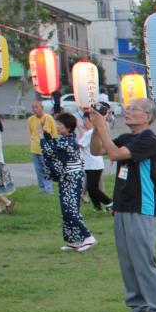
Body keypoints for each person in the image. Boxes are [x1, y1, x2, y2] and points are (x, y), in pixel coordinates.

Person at [88, 99, 156, 312]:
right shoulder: (127, 138)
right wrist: (97, 126)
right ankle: (138, 307)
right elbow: (97, 149)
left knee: (143, 259)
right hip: (122, 205)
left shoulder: (148, 139)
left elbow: (114, 155)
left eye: (134, 109)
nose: (128, 112)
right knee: (127, 260)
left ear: (147, 116)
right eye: (128, 108)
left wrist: (103, 126)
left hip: (141, 206)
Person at [41, 111, 95, 251]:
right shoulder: (65, 140)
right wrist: (46, 134)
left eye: (60, 124)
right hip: (67, 178)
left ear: (69, 127)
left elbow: (51, 150)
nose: (57, 127)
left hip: (72, 178)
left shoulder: (70, 141)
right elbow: (54, 145)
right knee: (66, 209)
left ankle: (87, 237)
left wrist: (43, 137)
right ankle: (75, 240)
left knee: (71, 209)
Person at [79, 114, 111, 211]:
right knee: (92, 188)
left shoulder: (89, 133)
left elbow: (80, 145)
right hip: (94, 164)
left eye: (85, 120)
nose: (83, 123)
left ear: (90, 120)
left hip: (92, 164)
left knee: (92, 188)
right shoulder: (94, 132)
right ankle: (97, 207)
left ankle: (110, 203)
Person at [28, 98, 57, 195]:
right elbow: (31, 132)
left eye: (36, 107)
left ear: (42, 108)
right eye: (33, 107)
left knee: (47, 169)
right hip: (34, 149)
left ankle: (48, 189)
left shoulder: (49, 118)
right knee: (38, 170)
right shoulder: (31, 119)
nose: (35, 109)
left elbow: (54, 133)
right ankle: (42, 188)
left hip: (45, 149)